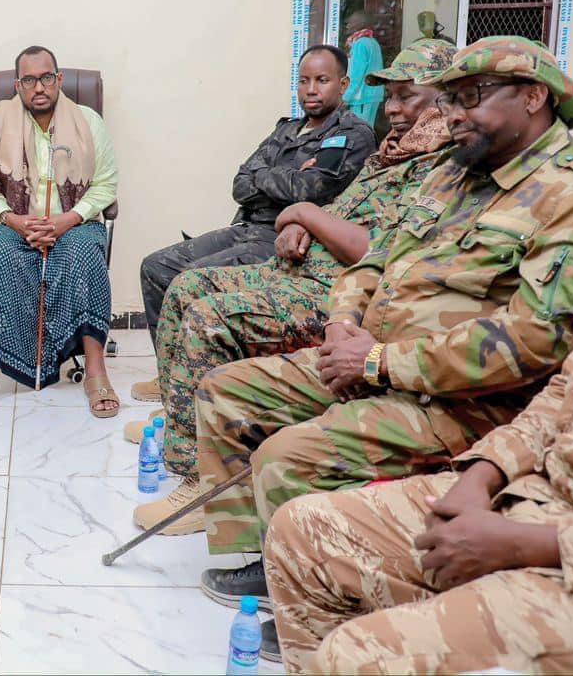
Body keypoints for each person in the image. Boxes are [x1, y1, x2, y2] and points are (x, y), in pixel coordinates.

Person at [195, 36, 573, 660]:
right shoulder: (455, 171)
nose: (452, 114)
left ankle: (339, 587)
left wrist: (379, 363)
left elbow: (537, 341)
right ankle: (266, 563)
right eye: (449, 99)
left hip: (464, 397)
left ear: (534, 97)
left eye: (471, 96)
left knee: (287, 456)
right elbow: (379, 257)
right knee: (227, 391)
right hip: (372, 353)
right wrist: (343, 324)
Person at [131, 38, 456, 536]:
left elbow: (368, 243)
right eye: (390, 95)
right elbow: (255, 184)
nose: (392, 108)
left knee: (208, 318)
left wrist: (302, 212)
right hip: (296, 261)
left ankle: (203, 485)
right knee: (183, 287)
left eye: (406, 95)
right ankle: (182, 426)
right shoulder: (392, 153)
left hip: (336, 293)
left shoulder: (438, 165)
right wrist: (300, 221)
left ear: (445, 98)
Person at [265, 276, 573, 673]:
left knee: (350, 656)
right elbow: (563, 393)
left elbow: (532, 337)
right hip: (539, 490)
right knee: (299, 532)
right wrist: (482, 474)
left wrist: (525, 544)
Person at [134, 45, 375, 400]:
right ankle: (170, 375)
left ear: (343, 84)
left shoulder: (352, 134)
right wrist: (288, 177)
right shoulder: (287, 129)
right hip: (247, 227)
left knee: (190, 279)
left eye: (322, 80)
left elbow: (313, 189)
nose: (311, 89)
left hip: (284, 237)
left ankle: (198, 384)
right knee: (155, 267)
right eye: (304, 81)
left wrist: (268, 179)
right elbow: (240, 184)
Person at [0, 45, 120, 416]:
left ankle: (96, 370)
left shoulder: (89, 122)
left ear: (58, 79)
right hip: (13, 224)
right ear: (17, 85)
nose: (39, 87)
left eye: (46, 78)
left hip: (73, 224)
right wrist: (11, 219)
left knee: (83, 254)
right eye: (29, 80)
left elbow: (106, 185)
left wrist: (69, 219)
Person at [342, 10, 386, 126]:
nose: (347, 25)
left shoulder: (360, 44)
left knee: (359, 130)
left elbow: (356, 75)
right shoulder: (372, 42)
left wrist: (346, 97)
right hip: (372, 94)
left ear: (360, 24)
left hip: (361, 96)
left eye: (351, 22)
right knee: (368, 128)